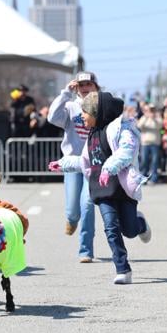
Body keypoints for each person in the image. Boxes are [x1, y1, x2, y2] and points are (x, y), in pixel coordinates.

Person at [49, 91, 151, 284]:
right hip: (102, 189)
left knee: (129, 230)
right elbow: (85, 161)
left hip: (122, 187)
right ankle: (123, 269)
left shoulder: (120, 129)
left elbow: (127, 150)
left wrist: (109, 168)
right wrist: (63, 164)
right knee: (111, 227)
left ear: (97, 112)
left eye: (85, 113)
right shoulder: (91, 135)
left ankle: (141, 224)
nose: (82, 117)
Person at [48, 72, 98, 263]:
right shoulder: (70, 106)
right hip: (72, 162)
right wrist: (64, 93)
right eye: (81, 84)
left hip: (92, 164)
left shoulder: (100, 107)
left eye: (89, 84)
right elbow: (52, 117)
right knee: (72, 211)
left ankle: (86, 250)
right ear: (76, 87)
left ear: (95, 87)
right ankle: (71, 219)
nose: (85, 87)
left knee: (88, 204)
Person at [137, 103, 163, 183]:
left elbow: (159, 126)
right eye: (150, 110)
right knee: (144, 160)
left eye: (153, 110)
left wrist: (154, 118)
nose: (151, 111)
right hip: (145, 143)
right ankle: (143, 177)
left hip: (155, 143)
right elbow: (139, 126)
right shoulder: (144, 118)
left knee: (154, 161)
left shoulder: (158, 118)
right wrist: (146, 116)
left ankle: (153, 178)